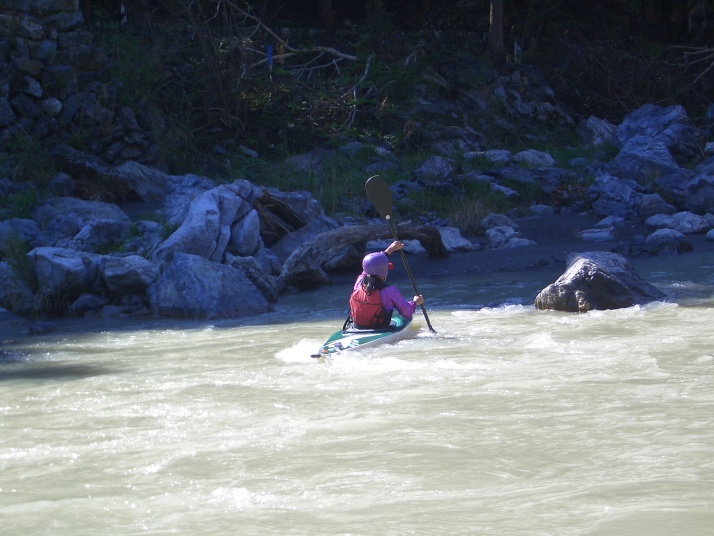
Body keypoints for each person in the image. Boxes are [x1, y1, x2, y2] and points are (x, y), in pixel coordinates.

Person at [348, 240, 425, 329]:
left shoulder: (359, 282)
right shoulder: (390, 291)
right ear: (384, 270)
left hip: (357, 327)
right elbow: (406, 312)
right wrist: (415, 302)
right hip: (379, 328)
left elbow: (369, 267)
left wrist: (389, 250)